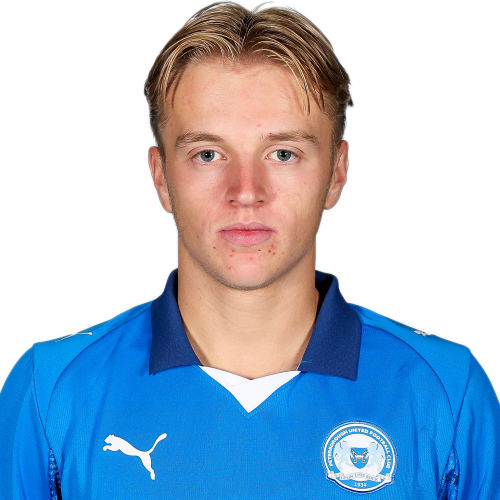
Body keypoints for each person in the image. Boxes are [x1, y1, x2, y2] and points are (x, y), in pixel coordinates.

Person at [1, 1, 498, 498]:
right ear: (161, 177)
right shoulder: (51, 393)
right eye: (208, 154)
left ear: (337, 172)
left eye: (283, 153)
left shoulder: (448, 395)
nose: (245, 191)